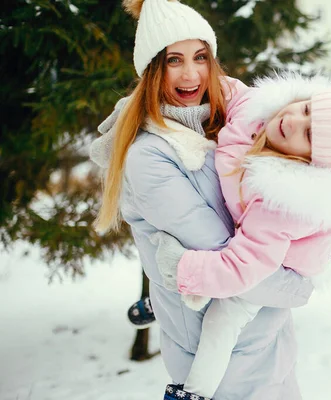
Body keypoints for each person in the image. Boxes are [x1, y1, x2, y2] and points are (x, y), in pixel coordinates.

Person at [148, 73, 331, 399]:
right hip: (250, 239)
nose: (292, 121)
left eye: (308, 135)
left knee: (224, 317)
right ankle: (171, 299)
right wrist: (192, 68)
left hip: (281, 271)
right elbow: (230, 89)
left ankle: (193, 393)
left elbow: (245, 267)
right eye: (306, 109)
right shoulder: (257, 112)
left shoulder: (285, 204)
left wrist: (185, 271)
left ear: (313, 162)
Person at [90, 1, 316, 399]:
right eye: (173, 60)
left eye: (200, 57)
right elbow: (225, 259)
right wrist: (297, 287)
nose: (191, 74)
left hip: (272, 348)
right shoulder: (150, 155)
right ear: (152, 70)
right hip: (221, 364)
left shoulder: (234, 119)